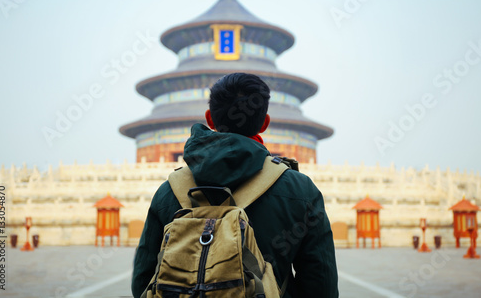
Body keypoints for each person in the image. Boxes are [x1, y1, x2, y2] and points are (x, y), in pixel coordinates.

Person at [131, 72, 339, 298]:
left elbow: (143, 281)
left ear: (210, 119)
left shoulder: (169, 191)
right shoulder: (300, 190)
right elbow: (321, 285)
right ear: (264, 123)